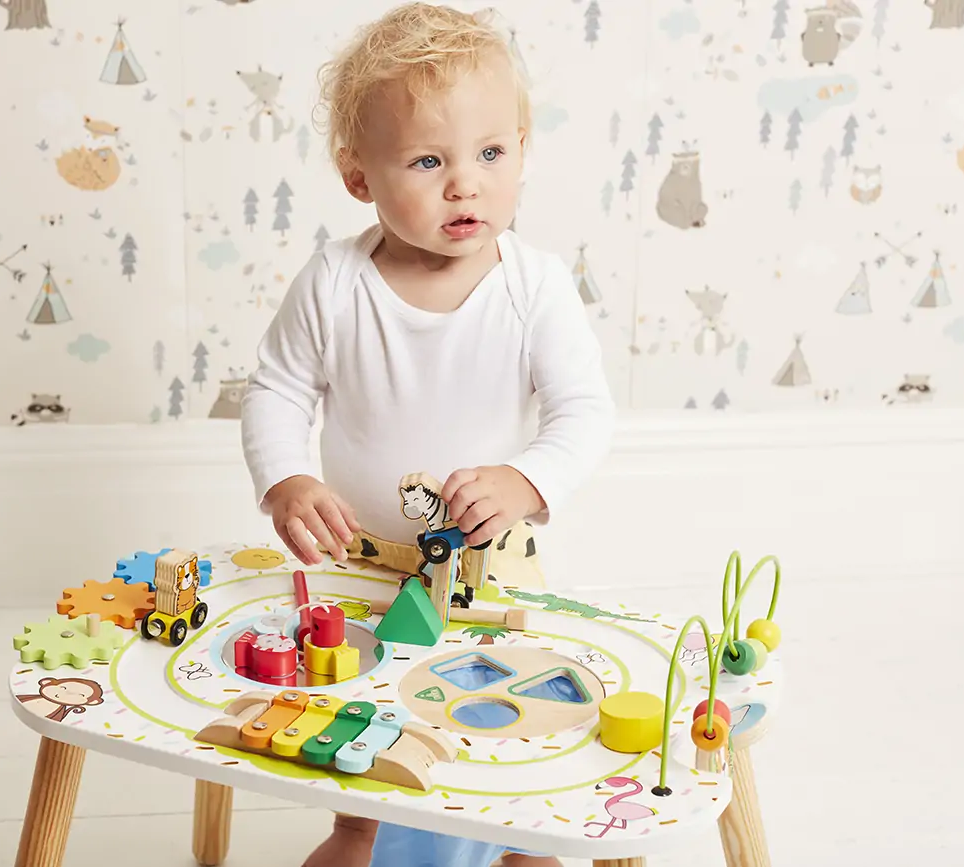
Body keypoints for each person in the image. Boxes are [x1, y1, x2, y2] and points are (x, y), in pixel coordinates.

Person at [239, 4, 616, 865]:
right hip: (358, 556)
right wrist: (286, 478)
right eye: (427, 160)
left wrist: (527, 481)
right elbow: (278, 390)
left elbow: (584, 410)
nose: (466, 184)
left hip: (482, 563)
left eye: (491, 153)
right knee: (357, 707)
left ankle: (525, 839)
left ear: (523, 146)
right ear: (359, 177)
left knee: (494, 715)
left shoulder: (535, 287)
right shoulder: (335, 281)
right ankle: (356, 829)